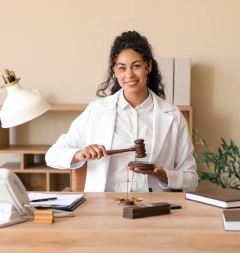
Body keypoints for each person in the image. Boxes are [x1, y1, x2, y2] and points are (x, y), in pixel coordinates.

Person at [45, 31, 198, 192]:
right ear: (115, 71)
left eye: (136, 66)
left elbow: (191, 179)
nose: (129, 75)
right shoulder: (96, 111)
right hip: (105, 208)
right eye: (122, 68)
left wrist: (163, 175)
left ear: (149, 66)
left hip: (155, 208)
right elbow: (52, 155)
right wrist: (80, 153)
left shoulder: (172, 116)